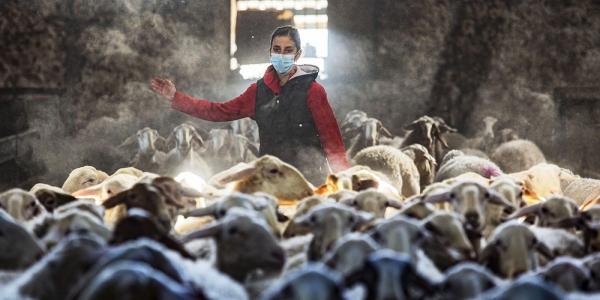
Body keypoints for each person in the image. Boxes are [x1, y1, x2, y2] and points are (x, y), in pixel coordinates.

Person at [150, 25, 350, 185]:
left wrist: (345, 180)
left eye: (288, 51)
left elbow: (331, 139)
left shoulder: (313, 91)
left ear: (298, 54)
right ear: (270, 52)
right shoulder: (258, 91)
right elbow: (218, 111)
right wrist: (176, 97)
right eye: (277, 50)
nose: (282, 55)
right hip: (268, 179)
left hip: (309, 181)